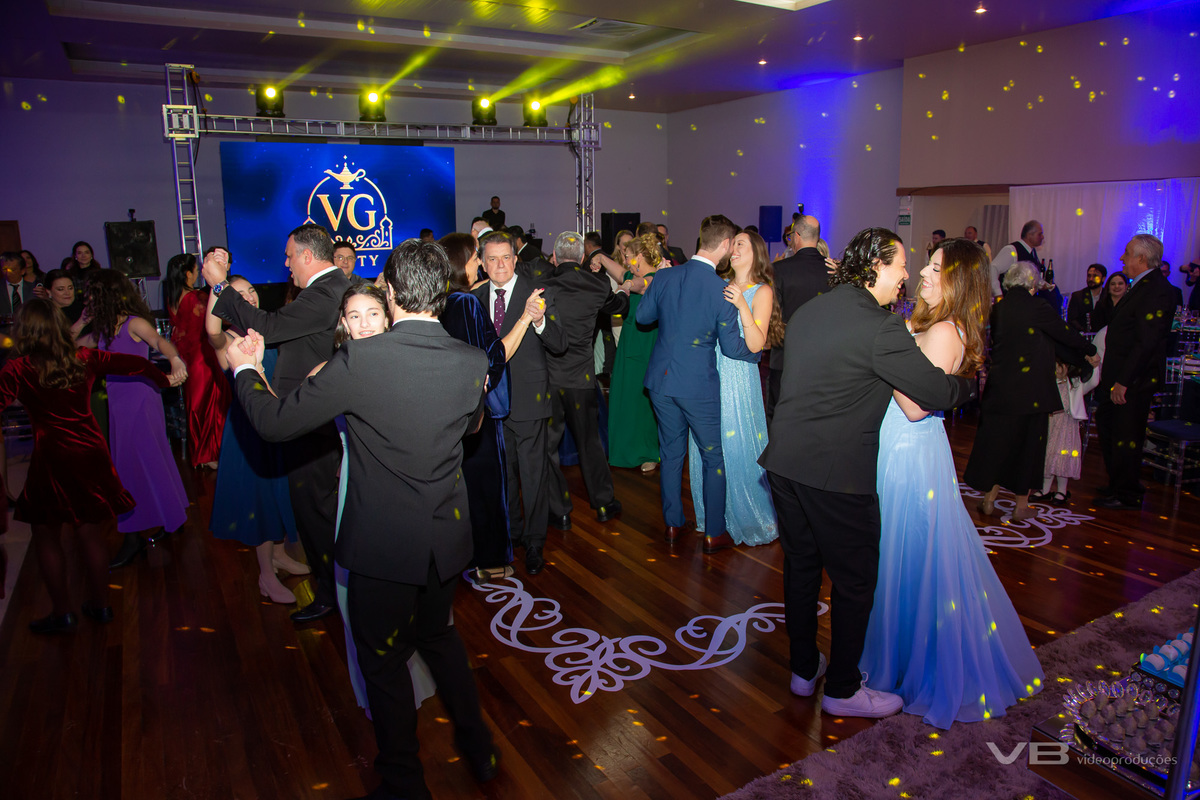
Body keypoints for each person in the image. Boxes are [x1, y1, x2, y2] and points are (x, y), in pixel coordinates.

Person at [226, 238, 498, 800]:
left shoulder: (360, 358)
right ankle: (481, 749)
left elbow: (275, 423)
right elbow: (472, 430)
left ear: (392, 294)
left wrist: (247, 369)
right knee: (441, 638)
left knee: (384, 663)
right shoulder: (474, 362)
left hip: (382, 546)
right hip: (444, 542)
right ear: (443, 297)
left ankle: (404, 783)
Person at [760, 227, 976, 719]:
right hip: (834, 472)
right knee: (855, 582)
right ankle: (841, 689)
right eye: (901, 264)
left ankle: (802, 670)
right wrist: (970, 386)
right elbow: (935, 394)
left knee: (801, 568)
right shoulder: (880, 328)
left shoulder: (812, 309)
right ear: (877, 265)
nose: (907, 274)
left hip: (783, 461)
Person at [859, 238, 1043, 729]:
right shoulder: (928, 323)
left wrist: (886, 346)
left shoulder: (944, 329)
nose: (922, 273)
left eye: (935, 269)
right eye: (925, 265)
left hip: (909, 451)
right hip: (900, 447)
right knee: (900, 554)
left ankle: (913, 666)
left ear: (958, 280)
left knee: (909, 554)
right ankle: (896, 657)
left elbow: (916, 405)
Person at [0, 300, 180, 633]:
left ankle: (63, 613)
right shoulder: (83, 358)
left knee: (46, 534)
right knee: (90, 531)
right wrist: (165, 380)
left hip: (51, 455)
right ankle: (101, 607)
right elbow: (136, 366)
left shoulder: (18, 369)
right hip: (90, 451)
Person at [204, 223, 350, 623]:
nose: (285, 264)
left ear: (306, 255)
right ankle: (330, 587)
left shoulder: (325, 291)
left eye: (289, 256)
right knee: (311, 511)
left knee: (316, 512)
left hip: (314, 419)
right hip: (311, 413)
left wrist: (220, 286)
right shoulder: (323, 290)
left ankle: (332, 594)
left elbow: (267, 325)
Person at [636, 214, 758, 551]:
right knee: (712, 457)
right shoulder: (722, 291)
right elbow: (733, 348)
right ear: (723, 245)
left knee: (671, 454)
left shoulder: (665, 276)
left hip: (661, 382)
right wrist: (759, 354)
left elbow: (643, 318)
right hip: (697, 387)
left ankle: (674, 525)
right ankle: (713, 532)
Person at [439, 232, 543, 581]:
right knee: (490, 486)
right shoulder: (468, 301)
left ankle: (523, 545)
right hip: (480, 410)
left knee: (522, 478)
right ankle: (492, 556)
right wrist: (525, 320)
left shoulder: (443, 301)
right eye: (477, 261)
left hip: (481, 406)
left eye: (505, 258)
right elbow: (492, 357)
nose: (487, 267)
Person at [964, 263, 1097, 521]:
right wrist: (1089, 351)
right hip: (1030, 393)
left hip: (1000, 390)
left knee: (998, 444)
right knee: (1026, 448)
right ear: (1033, 284)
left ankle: (989, 499)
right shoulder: (1038, 307)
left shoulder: (998, 309)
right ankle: (1020, 506)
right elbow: (1064, 333)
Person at [471, 231, 566, 575]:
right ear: (482, 262)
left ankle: (536, 542)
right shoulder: (474, 298)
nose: (500, 265)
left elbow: (559, 343)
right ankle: (510, 537)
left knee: (533, 474)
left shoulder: (537, 293)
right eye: (492, 258)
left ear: (516, 259)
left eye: (506, 257)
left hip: (529, 399)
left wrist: (538, 320)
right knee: (502, 475)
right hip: (488, 404)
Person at [80, 271, 190, 567]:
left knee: (133, 465)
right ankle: (173, 517)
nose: (88, 298)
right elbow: (69, 343)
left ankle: (132, 536)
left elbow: (160, 342)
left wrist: (176, 359)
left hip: (141, 398)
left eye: (92, 293)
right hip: (118, 400)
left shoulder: (133, 322)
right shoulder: (102, 329)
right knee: (147, 460)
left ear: (107, 295)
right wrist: (82, 318)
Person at [205, 275, 302, 605]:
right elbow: (211, 332)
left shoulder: (268, 331)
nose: (248, 296)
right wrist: (216, 286)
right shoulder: (230, 338)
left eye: (251, 290)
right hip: (249, 429)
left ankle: (278, 555)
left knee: (279, 496)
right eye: (239, 293)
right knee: (260, 502)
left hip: (275, 422)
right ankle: (265, 575)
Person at [687, 229, 780, 550]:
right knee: (707, 446)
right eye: (732, 244)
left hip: (739, 377)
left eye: (740, 243)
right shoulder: (718, 284)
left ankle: (750, 515)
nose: (733, 248)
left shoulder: (762, 291)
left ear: (754, 252)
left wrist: (742, 304)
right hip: (709, 373)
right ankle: (714, 516)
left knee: (737, 443)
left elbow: (757, 344)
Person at [544, 232, 629, 531]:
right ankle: (604, 504)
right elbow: (620, 307)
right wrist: (627, 289)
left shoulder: (544, 286)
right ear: (581, 257)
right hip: (581, 378)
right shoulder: (595, 284)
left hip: (550, 380)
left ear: (554, 257)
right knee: (589, 443)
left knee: (547, 449)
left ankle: (560, 511)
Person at [1094, 234, 1176, 510]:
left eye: (1127, 253)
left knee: (1126, 435)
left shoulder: (1157, 290)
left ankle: (1126, 491)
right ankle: (1118, 483)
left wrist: (1123, 382)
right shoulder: (1141, 286)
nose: (1122, 258)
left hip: (1133, 379)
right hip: (1119, 375)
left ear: (1141, 258)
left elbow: (1146, 342)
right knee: (1110, 428)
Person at [165, 252, 230, 469]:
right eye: (196, 269)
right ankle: (209, 456)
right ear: (187, 273)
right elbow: (212, 323)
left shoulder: (173, 298)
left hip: (188, 357)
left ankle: (203, 454)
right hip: (203, 357)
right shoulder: (195, 298)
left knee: (196, 405)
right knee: (210, 405)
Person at [607, 233, 663, 473]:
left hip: (647, 345)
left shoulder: (654, 278)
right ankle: (624, 450)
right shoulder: (631, 273)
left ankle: (649, 451)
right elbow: (619, 272)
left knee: (643, 401)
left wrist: (628, 286)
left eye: (628, 257)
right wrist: (597, 255)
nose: (625, 260)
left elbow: (640, 285)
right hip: (629, 344)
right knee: (625, 397)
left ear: (639, 257)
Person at [766, 214, 828, 420]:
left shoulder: (780, 269)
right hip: (822, 358)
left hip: (785, 355)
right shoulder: (832, 271)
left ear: (797, 236)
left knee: (779, 415)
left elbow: (773, 314)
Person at [1032, 351, 1102, 505]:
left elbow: (1093, 382)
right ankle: (1045, 489)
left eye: (1059, 367)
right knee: (1048, 456)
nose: (1056, 371)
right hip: (1051, 425)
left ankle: (1062, 491)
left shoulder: (1075, 385)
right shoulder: (1049, 384)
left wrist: (1095, 367)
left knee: (1063, 456)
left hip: (1066, 427)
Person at [1066, 263, 1108, 332]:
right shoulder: (1077, 296)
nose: (1091, 279)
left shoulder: (1108, 296)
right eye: (1089, 276)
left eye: (1095, 276)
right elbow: (1072, 320)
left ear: (1103, 278)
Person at [0, 251, 37, 316]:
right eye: (5, 269)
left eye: (12, 270)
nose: (8, 273)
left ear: (22, 271)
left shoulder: (33, 289)